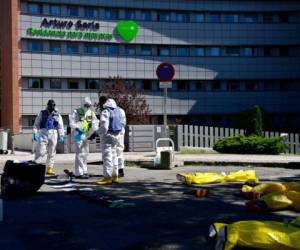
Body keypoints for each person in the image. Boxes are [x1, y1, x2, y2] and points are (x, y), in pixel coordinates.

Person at [96, 96, 125, 185]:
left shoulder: (106, 111)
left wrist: (97, 132)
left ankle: (107, 177)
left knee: (107, 157)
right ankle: (115, 176)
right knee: (114, 156)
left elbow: (104, 126)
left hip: (108, 136)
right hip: (117, 135)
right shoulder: (120, 110)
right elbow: (123, 123)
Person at [69, 97, 99, 179]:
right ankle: (79, 173)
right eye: (86, 105)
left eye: (89, 105)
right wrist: (77, 128)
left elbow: (95, 123)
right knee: (80, 152)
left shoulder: (91, 113)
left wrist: (94, 132)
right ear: (83, 104)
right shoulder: (77, 111)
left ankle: (84, 171)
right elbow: (71, 122)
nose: (88, 106)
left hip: (86, 134)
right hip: (78, 134)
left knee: (85, 153)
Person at [33, 99, 64, 175]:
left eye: (53, 106)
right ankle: (36, 167)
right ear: (47, 105)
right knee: (40, 151)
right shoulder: (42, 112)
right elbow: (36, 123)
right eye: (50, 105)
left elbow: (60, 126)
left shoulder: (57, 114)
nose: (51, 107)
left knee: (52, 152)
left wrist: (61, 135)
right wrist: (35, 132)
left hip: (53, 133)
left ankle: (49, 168)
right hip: (43, 132)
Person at [117, 106, 126, 177]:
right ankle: (120, 170)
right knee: (119, 151)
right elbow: (124, 122)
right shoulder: (121, 110)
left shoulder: (109, 111)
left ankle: (118, 170)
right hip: (120, 132)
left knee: (114, 152)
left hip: (114, 133)